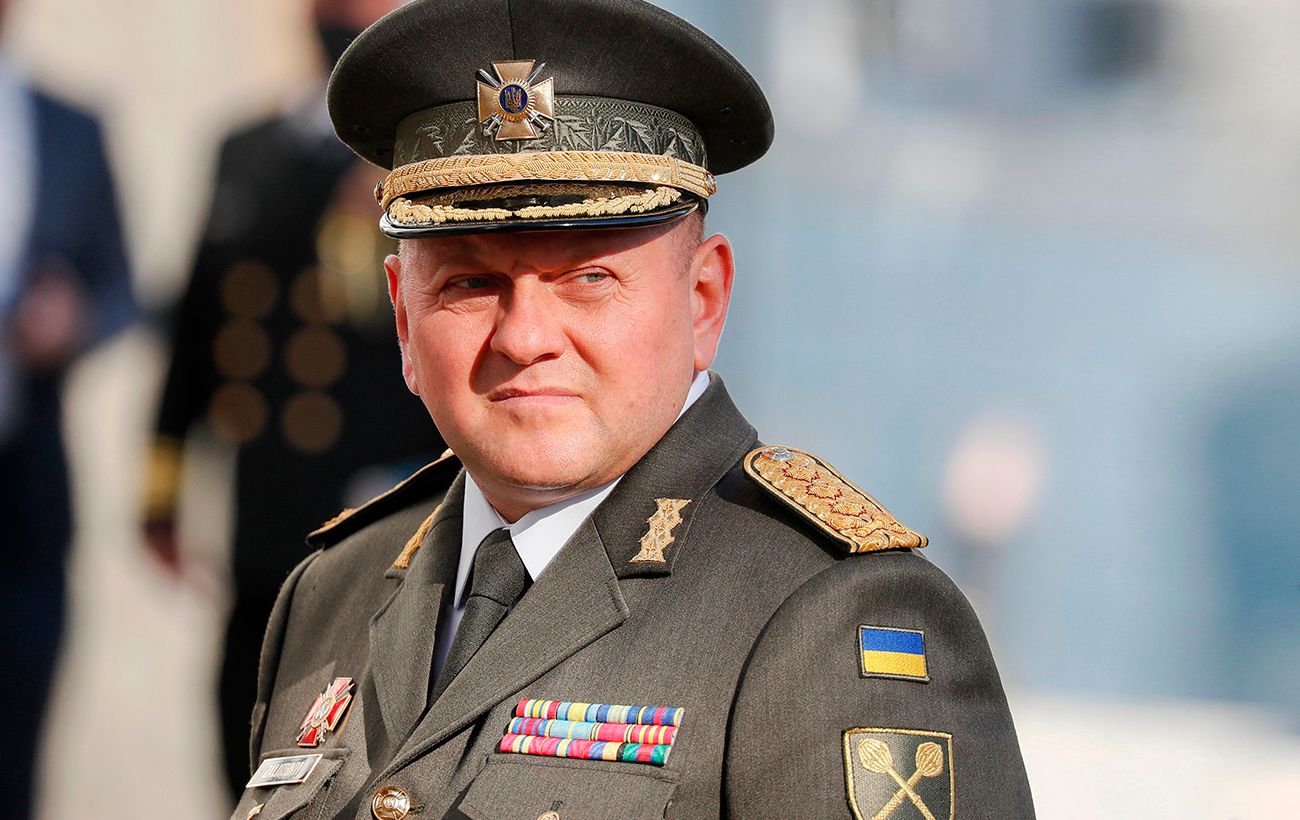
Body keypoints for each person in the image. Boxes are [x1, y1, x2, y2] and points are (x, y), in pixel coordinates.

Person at [233, 1, 1035, 818]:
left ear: (704, 299)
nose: (525, 337)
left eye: (589, 278)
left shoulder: (833, 617)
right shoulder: (331, 592)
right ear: (404, 319)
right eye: (471, 283)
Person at [140, 0, 443, 801]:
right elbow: (197, 327)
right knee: (244, 718)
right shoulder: (247, 148)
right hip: (265, 496)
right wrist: (161, 490)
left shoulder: (426, 152)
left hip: (377, 486)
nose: (343, 14)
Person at [0, 0, 137, 812]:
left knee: (18, 721)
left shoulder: (69, 127)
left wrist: (75, 318)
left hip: (27, 473)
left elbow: (121, 287)